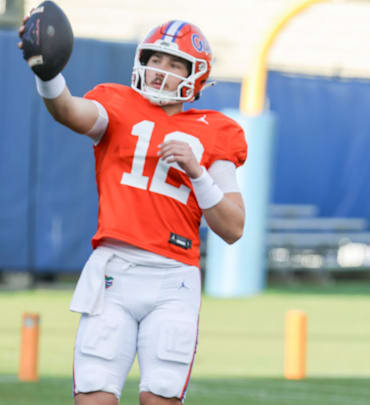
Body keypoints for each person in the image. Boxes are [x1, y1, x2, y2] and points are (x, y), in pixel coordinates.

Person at [18, 19, 247, 405]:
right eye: (154, 58)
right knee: (94, 397)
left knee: (159, 398)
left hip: (174, 281)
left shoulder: (217, 131)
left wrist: (198, 173)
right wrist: (49, 76)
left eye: (174, 64)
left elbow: (233, 227)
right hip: (114, 273)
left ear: (196, 74)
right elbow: (69, 111)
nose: (160, 69)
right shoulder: (117, 103)